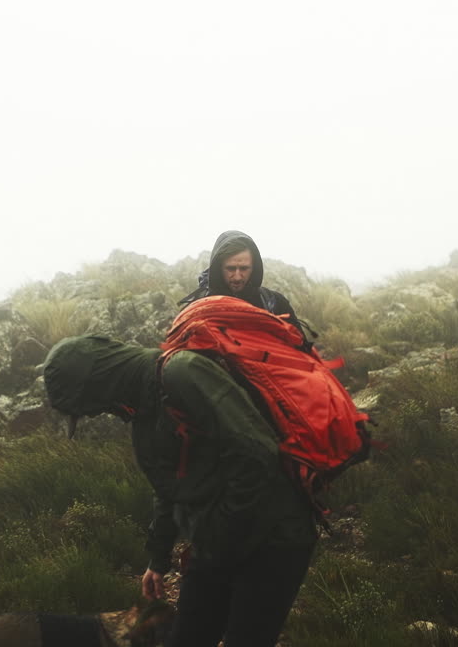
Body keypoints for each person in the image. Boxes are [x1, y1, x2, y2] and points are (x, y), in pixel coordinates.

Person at [43, 335, 318, 647]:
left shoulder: (183, 374)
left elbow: (257, 459)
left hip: (274, 537)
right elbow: (170, 487)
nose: (95, 413)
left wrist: (219, 541)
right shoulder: (144, 406)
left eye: (90, 404)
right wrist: (158, 559)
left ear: (101, 381)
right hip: (219, 542)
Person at [179, 230, 299, 326]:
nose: (237, 277)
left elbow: (300, 351)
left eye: (244, 269)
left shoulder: (276, 304)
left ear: (254, 267)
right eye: (230, 269)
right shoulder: (197, 309)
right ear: (218, 268)